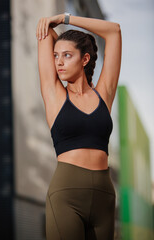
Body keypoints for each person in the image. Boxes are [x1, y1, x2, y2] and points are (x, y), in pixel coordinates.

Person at [36, 13, 122, 240]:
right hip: (66, 195)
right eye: (55, 56)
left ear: (84, 59)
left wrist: (65, 18)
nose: (59, 62)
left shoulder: (104, 93)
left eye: (67, 55)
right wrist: (49, 26)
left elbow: (113, 31)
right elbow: (44, 35)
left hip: (105, 196)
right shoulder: (54, 95)